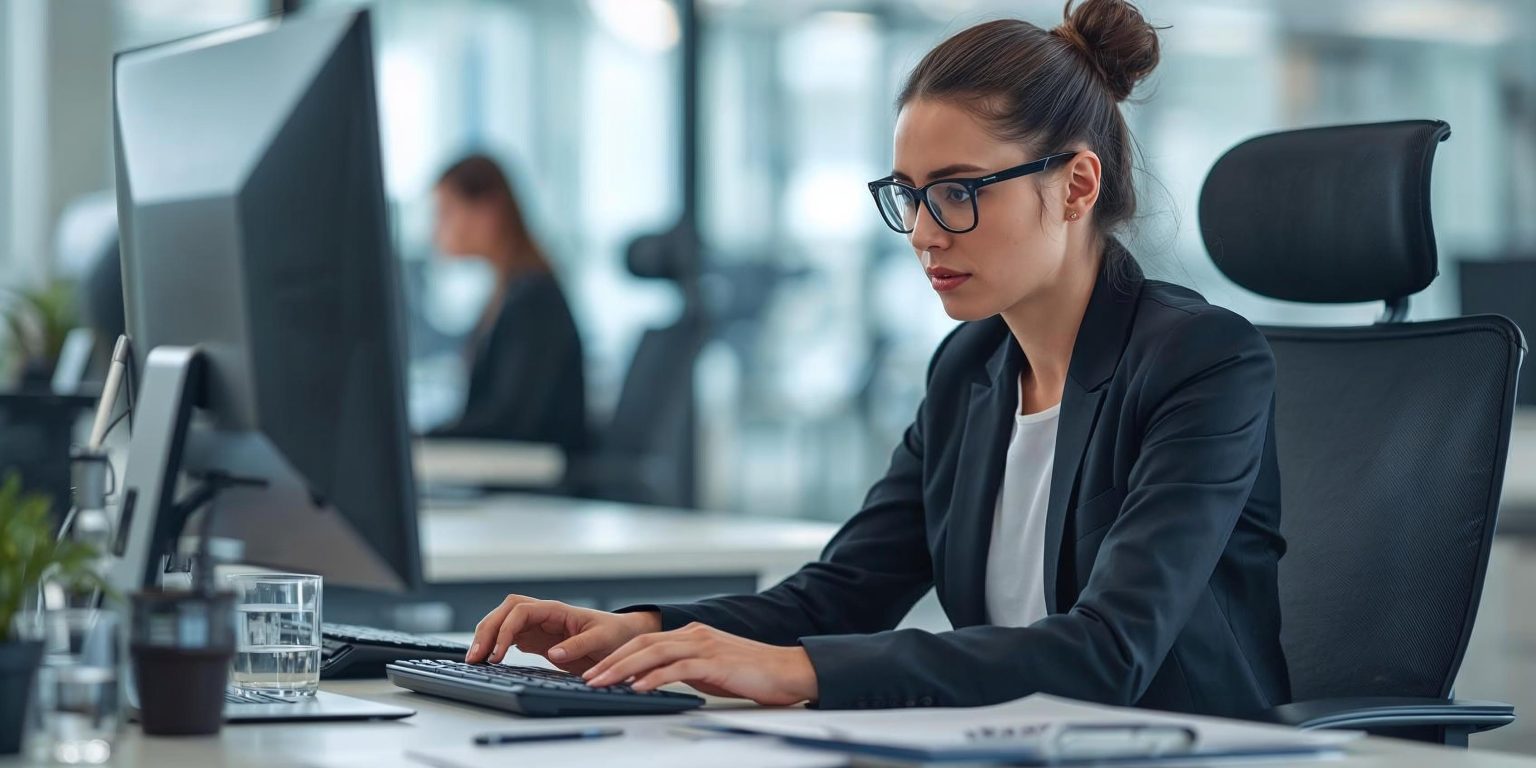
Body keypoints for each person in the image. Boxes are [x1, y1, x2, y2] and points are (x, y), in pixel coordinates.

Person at [464, 0, 1290, 718]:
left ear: (1076, 186)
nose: (926, 231)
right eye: (909, 193)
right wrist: (647, 630)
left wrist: (801, 671)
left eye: (960, 190)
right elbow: (845, 591)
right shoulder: (970, 369)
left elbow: (1109, 652)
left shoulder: (1201, 361)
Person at [427, 154, 587, 453]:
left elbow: (510, 422)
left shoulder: (534, 301)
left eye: (446, 212)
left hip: (534, 483)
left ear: (489, 211)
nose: (435, 231)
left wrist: (427, 438)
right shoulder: (508, 293)